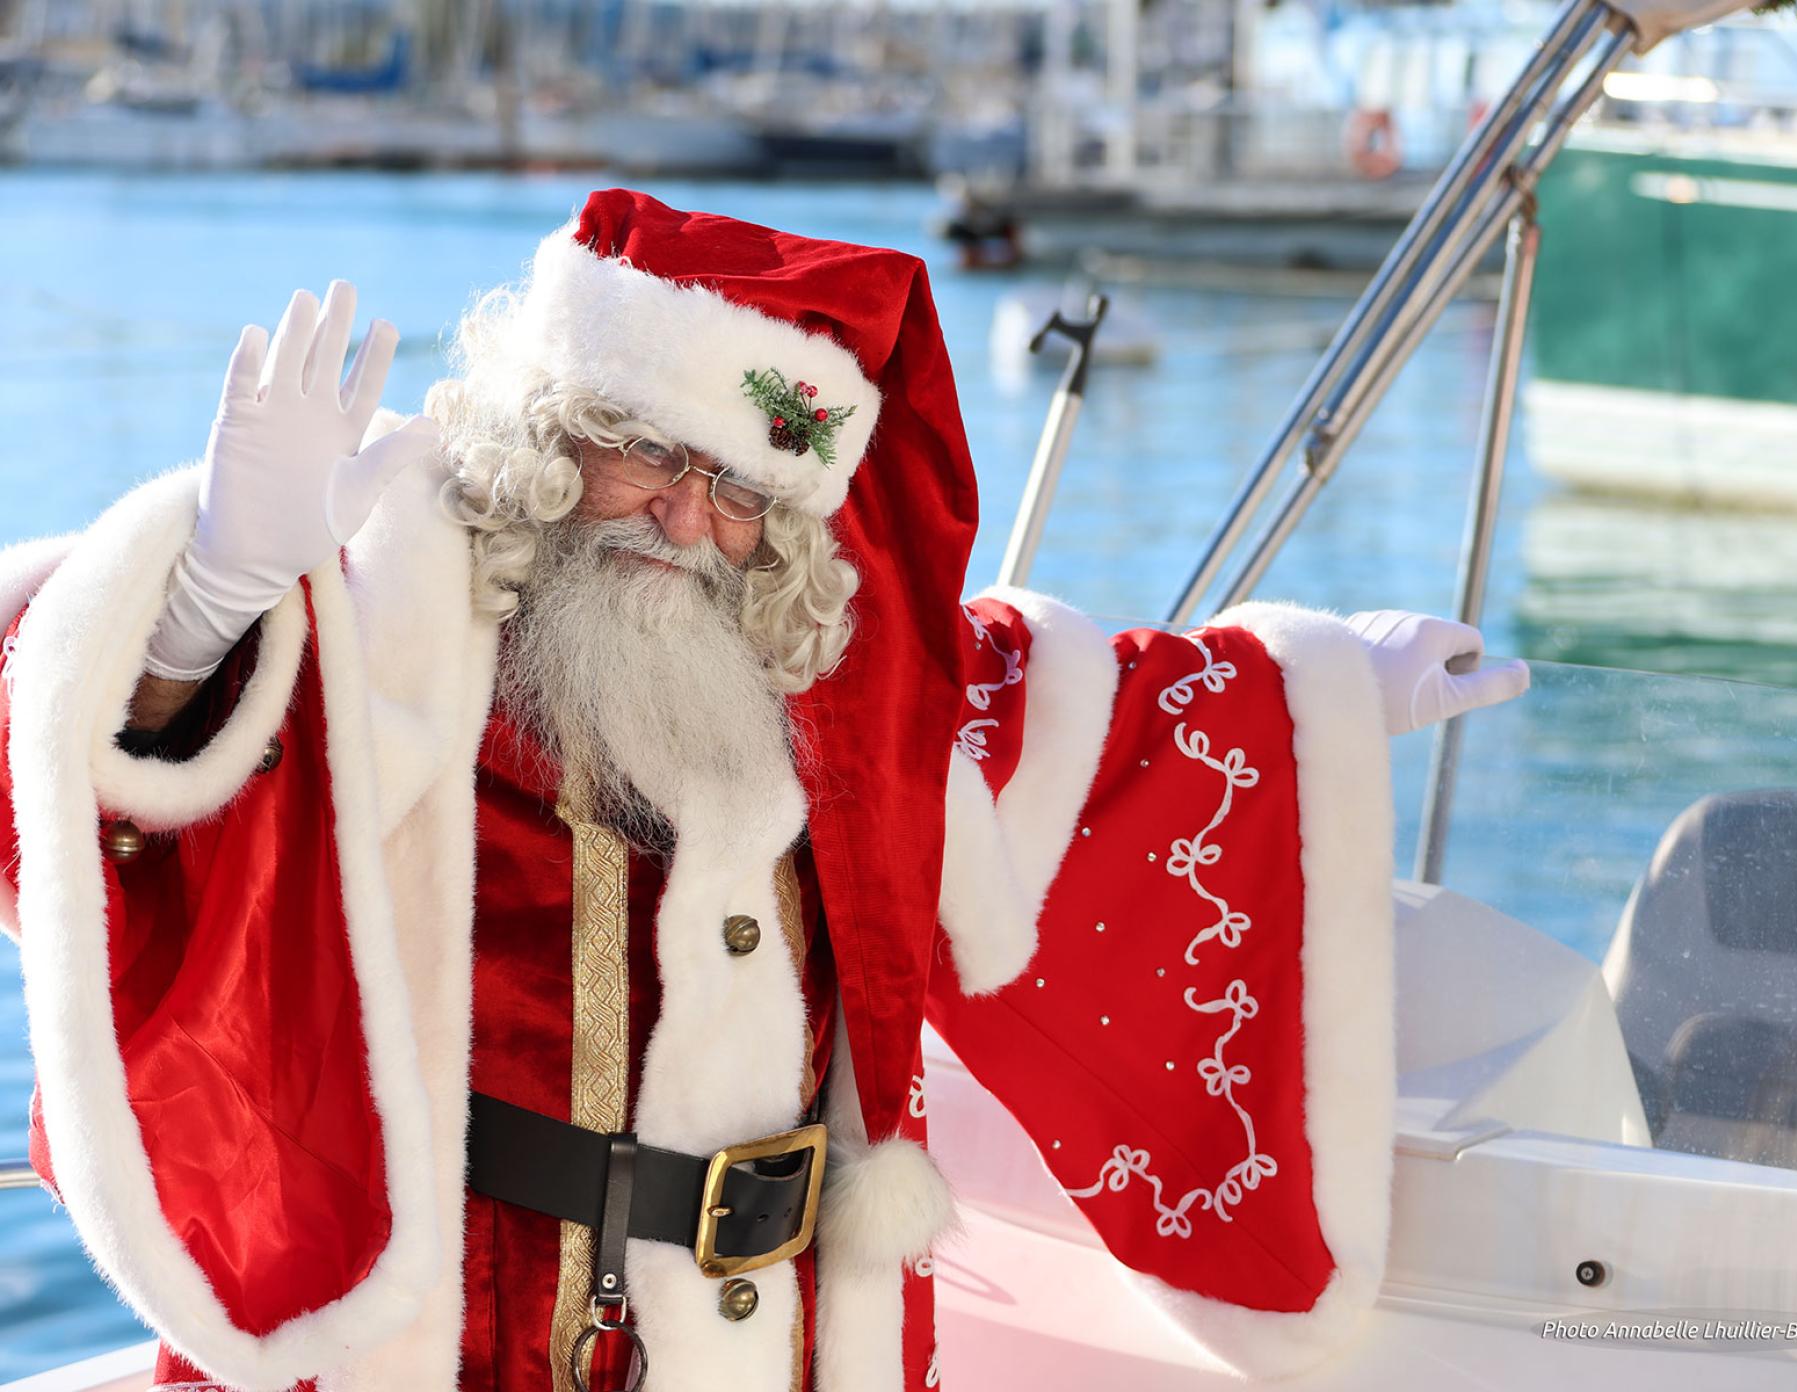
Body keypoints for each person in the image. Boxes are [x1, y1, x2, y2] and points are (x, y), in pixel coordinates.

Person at [0, 189, 1529, 1392]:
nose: (684, 519)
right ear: (549, 439)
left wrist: (1331, 685)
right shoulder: (387, 618)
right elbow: (144, 810)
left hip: (764, 1336)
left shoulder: (833, 689)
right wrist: (207, 602)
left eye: (741, 491)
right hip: (446, 1317)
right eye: (647, 455)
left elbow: (1075, 724)